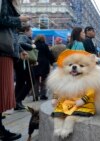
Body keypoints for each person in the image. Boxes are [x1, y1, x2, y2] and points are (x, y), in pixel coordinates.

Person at [0, 0, 31, 140]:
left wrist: (19, 49)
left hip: (6, 52)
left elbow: (9, 32)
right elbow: (2, 21)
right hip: (2, 52)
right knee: (2, 92)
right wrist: (19, 19)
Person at [14, 25, 35, 110]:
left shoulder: (19, 35)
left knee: (20, 82)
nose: (31, 32)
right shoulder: (23, 36)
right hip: (23, 61)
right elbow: (20, 43)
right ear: (26, 30)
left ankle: (16, 102)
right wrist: (31, 46)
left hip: (19, 61)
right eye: (30, 30)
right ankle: (18, 100)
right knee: (31, 80)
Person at [33, 35, 54, 100]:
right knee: (44, 80)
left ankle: (35, 96)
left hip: (35, 63)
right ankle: (43, 95)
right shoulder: (45, 45)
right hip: (44, 64)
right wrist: (52, 62)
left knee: (36, 80)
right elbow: (49, 54)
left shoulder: (34, 45)